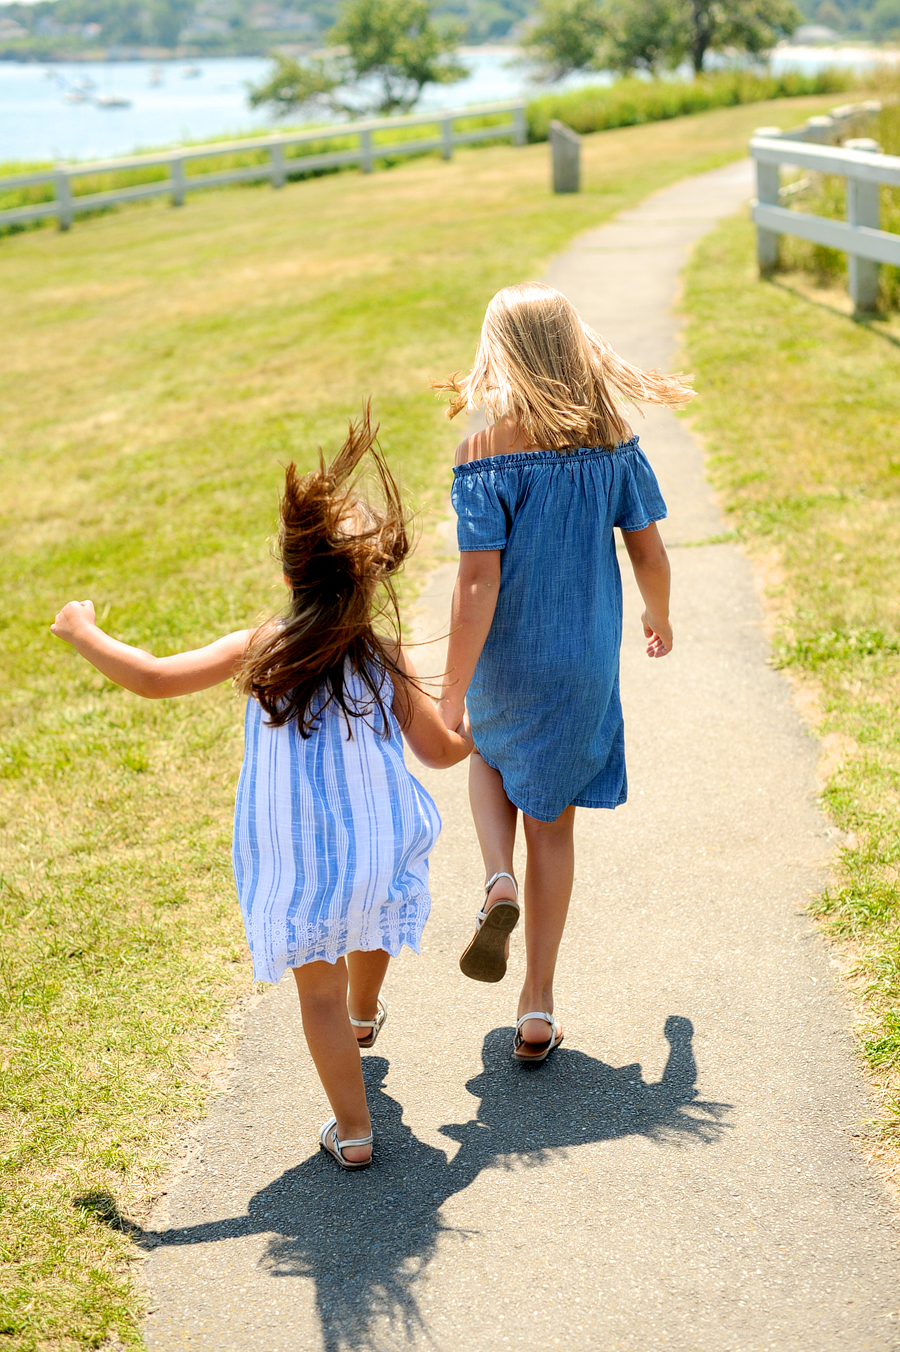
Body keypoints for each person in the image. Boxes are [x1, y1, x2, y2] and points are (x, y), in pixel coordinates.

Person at [51, 410, 472, 1169]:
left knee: (317, 997)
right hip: (378, 844)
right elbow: (440, 752)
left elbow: (150, 677)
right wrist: (477, 728)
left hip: (299, 856)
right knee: (372, 923)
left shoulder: (261, 648)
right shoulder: (382, 656)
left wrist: (84, 631)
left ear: (288, 577)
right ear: (368, 578)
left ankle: (353, 1131)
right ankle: (367, 1008)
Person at [434, 282, 690, 1064]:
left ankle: (493, 879)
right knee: (555, 822)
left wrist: (450, 687)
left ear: (500, 355)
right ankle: (537, 1006)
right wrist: (659, 615)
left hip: (506, 657)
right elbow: (647, 551)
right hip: (580, 664)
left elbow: (477, 583)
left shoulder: (483, 454)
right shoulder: (613, 443)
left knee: (488, 752)